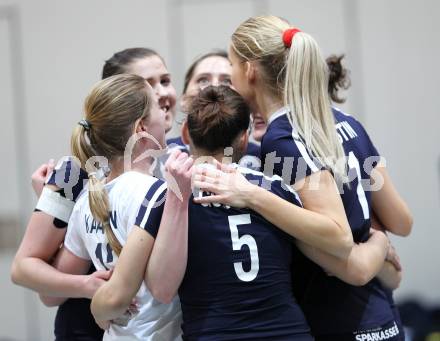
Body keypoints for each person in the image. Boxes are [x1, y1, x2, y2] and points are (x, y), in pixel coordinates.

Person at [193, 15, 412, 341]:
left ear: (250, 71)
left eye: (231, 67)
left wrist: (253, 195)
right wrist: (378, 242)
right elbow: (401, 221)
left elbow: (338, 237)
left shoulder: (282, 138)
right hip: (383, 316)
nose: (229, 79)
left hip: (337, 319)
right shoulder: (344, 119)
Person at [11, 47, 180, 340]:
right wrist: (89, 287)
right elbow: (27, 273)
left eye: (165, 80)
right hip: (91, 327)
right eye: (148, 85)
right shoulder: (72, 175)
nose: (162, 93)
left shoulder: (176, 159)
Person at [167, 50, 261, 170]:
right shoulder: (158, 158)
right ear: (184, 99)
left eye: (227, 81)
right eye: (203, 80)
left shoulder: (262, 159)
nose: (214, 86)